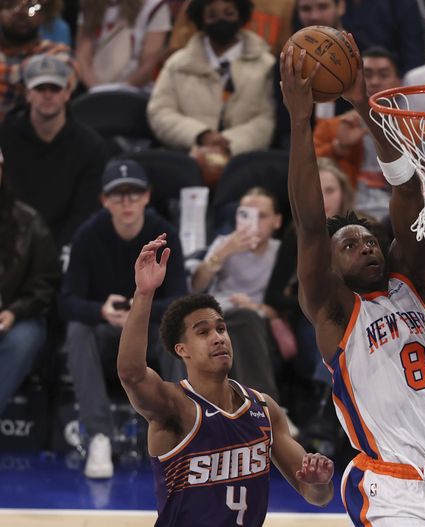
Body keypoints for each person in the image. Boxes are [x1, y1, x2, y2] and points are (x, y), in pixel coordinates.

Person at [281, 36, 425, 524]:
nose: (366, 245)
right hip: (387, 486)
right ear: (330, 267)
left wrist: (367, 107)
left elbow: (408, 188)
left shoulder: (414, 282)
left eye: (368, 239)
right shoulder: (335, 310)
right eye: (348, 245)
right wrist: (300, 121)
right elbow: (309, 224)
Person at [117, 236, 334, 526]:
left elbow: (316, 496)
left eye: (221, 328)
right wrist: (143, 294)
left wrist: (319, 482)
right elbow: (131, 373)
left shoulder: (264, 408)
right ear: (182, 351)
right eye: (203, 332)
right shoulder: (175, 406)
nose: (218, 337)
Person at [60, 159, 188, 479]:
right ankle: (100, 436)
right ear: (105, 200)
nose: (127, 202)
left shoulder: (165, 234)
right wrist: (100, 311)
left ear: (147, 196)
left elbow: (180, 300)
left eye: (134, 193)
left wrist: (141, 310)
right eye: (118, 195)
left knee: (180, 334)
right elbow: (67, 301)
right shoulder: (88, 236)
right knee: (78, 331)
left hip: (151, 334)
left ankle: (182, 434)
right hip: (106, 334)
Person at [147, 0, 276, 179]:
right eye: (212, 15)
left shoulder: (266, 64)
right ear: (201, 19)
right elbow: (160, 112)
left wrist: (228, 143)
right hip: (186, 161)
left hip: (244, 164)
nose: (221, 20)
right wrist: (201, 135)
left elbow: (267, 118)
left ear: (241, 15)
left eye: (228, 13)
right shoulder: (177, 64)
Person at [0, 53, 108, 248]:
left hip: (66, 249)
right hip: (8, 245)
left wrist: (52, 255)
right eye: (40, 88)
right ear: (28, 93)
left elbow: (85, 213)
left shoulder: (91, 147)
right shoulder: (4, 138)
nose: (47, 95)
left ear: (67, 93)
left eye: (55, 88)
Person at [191, 187, 287, 403]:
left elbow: (284, 305)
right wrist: (223, 252)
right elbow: (196, 286)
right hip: (217, 314)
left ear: (277, 221)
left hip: (255, 320)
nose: (253, 221)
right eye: (245, 214)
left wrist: (255, 307)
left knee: (247, 320)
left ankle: (264, 409)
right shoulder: (224, 243)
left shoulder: (280, 252)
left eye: (261, 216)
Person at [0, 147, 60, 416]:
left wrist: (15, 312)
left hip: (16, 316)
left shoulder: (28, 222)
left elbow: (45, 282)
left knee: (24, 339)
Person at [313, 46, 402, 220]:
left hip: (400, 218)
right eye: (367, 75)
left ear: (398, 82)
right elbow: (308, 174)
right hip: (347, 216)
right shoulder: (332, 128)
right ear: (355, 81)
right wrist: (339, 147)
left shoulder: (417, 130)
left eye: (383, 75)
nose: (375, 82)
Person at [75, 0, 171, 91]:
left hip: (136, 91)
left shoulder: (154, 6)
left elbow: (149, 63)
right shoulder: (90, 4)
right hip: (92, 89)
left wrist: (120, 91)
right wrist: (97, 89)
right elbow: (82, 55)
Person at [0, 0, 72, 119]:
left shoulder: (58, 51)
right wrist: (37, 73)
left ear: (43, 14)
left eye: (31, 6)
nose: (20, 13)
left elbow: (64, 76)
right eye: (10, 6)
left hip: (38, 134)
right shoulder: (51, 56)